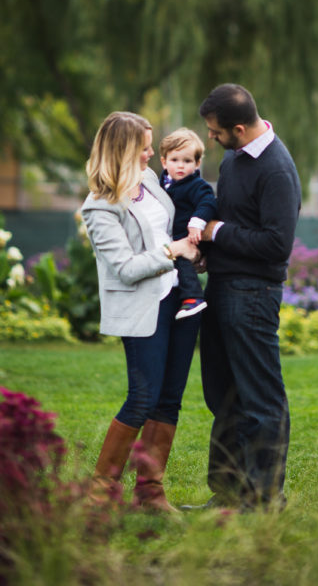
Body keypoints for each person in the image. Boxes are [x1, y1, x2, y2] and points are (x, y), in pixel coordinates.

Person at [81, 111, 202, 511]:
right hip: (141, 308)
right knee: (142, 397)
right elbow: (127, 269)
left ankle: (150, 493)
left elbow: (169, 228)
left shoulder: (149, 182)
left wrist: (191, 253)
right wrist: (174, 251)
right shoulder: (99, 207)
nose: (153, 153)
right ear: (124, 150)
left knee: (169, 399)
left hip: (178, 300)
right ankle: (100, 496)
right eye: (145, 147)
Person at [194, 83, 301, 511]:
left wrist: (216, 232)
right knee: (223, 396)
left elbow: (277, 244)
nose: (210, 138)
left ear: (239, 128)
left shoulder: (276, 169)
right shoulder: (235, 158)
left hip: (254, 295)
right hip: (221, 287)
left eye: (215, 131)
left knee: (259, 398)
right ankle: (227, 493)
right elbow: (233, 217)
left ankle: (263, 497)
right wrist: (208, 248)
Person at [158, 127, 219, 320]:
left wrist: (197, 222)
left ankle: (193, 297)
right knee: (175, 258)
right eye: (174, 160)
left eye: (187, 161)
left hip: (191, 235)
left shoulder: (196, 185)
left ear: (197, 163)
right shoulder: (163, 184)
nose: (180, 166)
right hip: (174, 235)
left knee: (183, 260)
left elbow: (208, 202)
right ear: (164, 162)